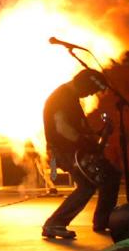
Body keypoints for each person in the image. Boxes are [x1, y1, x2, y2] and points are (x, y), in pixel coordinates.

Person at [41, 69, 120, 239]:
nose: (90, 94)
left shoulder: (69, 97)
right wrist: (84, 142)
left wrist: (97, 134)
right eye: (90, 90)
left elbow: (74, 127)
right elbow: (62, 127)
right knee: (90, 184)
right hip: (64, 151)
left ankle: (101, 220)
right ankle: (55, 223)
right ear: (83, 85)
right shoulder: (62, 97)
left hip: (69, 150)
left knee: (106, 178)